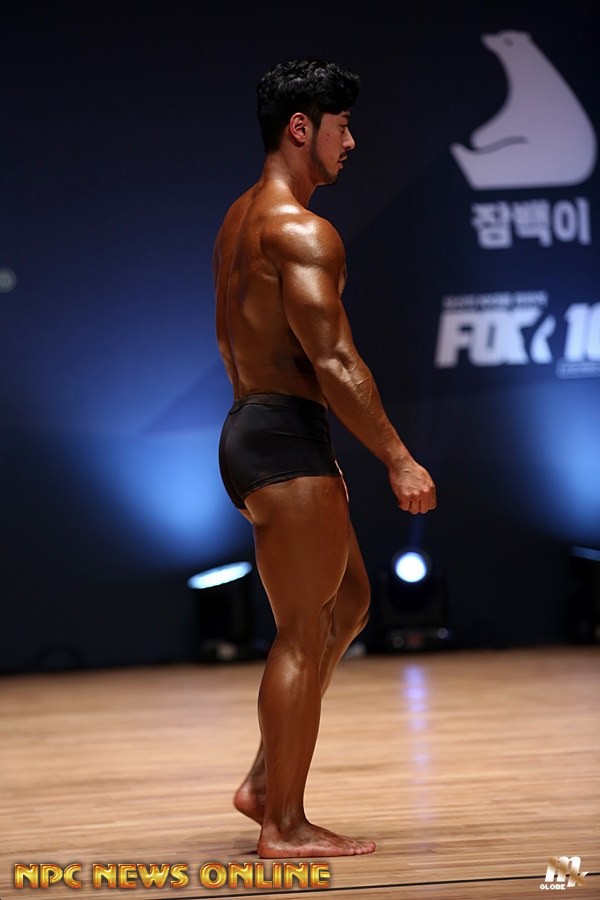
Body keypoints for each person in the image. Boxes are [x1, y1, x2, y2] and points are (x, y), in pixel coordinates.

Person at [212, 58, 436, 859]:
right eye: (341, 126)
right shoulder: (303, 231)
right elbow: (336, 361)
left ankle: (263, 781)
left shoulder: (240, 218)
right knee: (302, 635)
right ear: (301, 128)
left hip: (259, 430)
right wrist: (398, 457)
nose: (352, 141)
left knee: (351, 605)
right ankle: (283, 823)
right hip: (282, 440)